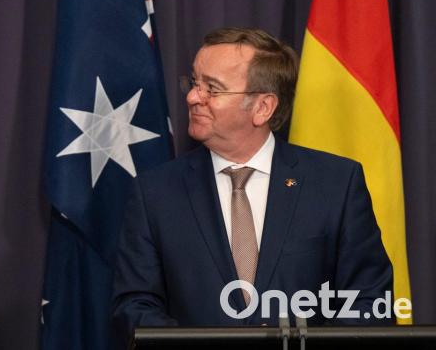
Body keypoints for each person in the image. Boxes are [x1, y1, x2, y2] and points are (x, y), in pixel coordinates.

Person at [112, 27, 393, 342]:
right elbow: (133, 308)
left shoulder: (336, 184)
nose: (192, 97)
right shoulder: (155, 193)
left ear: (262, 107)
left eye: (212, 89)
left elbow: (370, 306)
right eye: (194, 83)